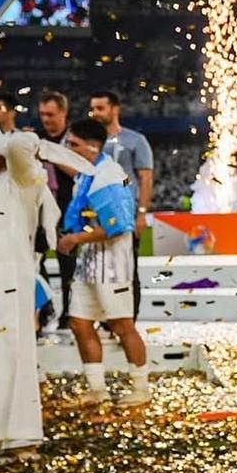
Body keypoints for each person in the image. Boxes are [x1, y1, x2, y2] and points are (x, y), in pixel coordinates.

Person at [0, 115, 93, 459]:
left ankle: (21, 438)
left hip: (9, 289)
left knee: (10, 356)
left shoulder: (21, 179)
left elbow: (23, 146)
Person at [57, 118, 151, 409]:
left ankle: (141, 387)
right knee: (79, 322)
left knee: (122, 325)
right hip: (90, 262)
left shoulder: (108, 177)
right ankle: (97, 390)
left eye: (72, 144)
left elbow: (120, 226)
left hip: (112, 265)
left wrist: (74, 240)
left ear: (91, 146)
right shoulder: (86, 174)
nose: (67, 149)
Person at [89, 90, 154, 316]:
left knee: (127, 267)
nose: (95, 113)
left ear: (115, 109)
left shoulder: (135, 140)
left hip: (126, 212)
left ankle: (129, 318)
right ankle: (104, 317)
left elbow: (145, 178)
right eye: (93, 109)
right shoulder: (89, 143)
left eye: (100, 108)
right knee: (98, 266)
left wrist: (142, 213)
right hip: (95, 215)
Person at [36, 90, 76, 329]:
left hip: (68, 209)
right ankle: (45, 306)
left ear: (63, 112)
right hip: (39, 210)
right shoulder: (37, 138)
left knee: (67, 262)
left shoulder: (74, 139)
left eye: (50, 114)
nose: (46, 119)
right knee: (37, 261)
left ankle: (69, 313)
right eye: (42, 114)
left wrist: (51, 156)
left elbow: (80, 171)